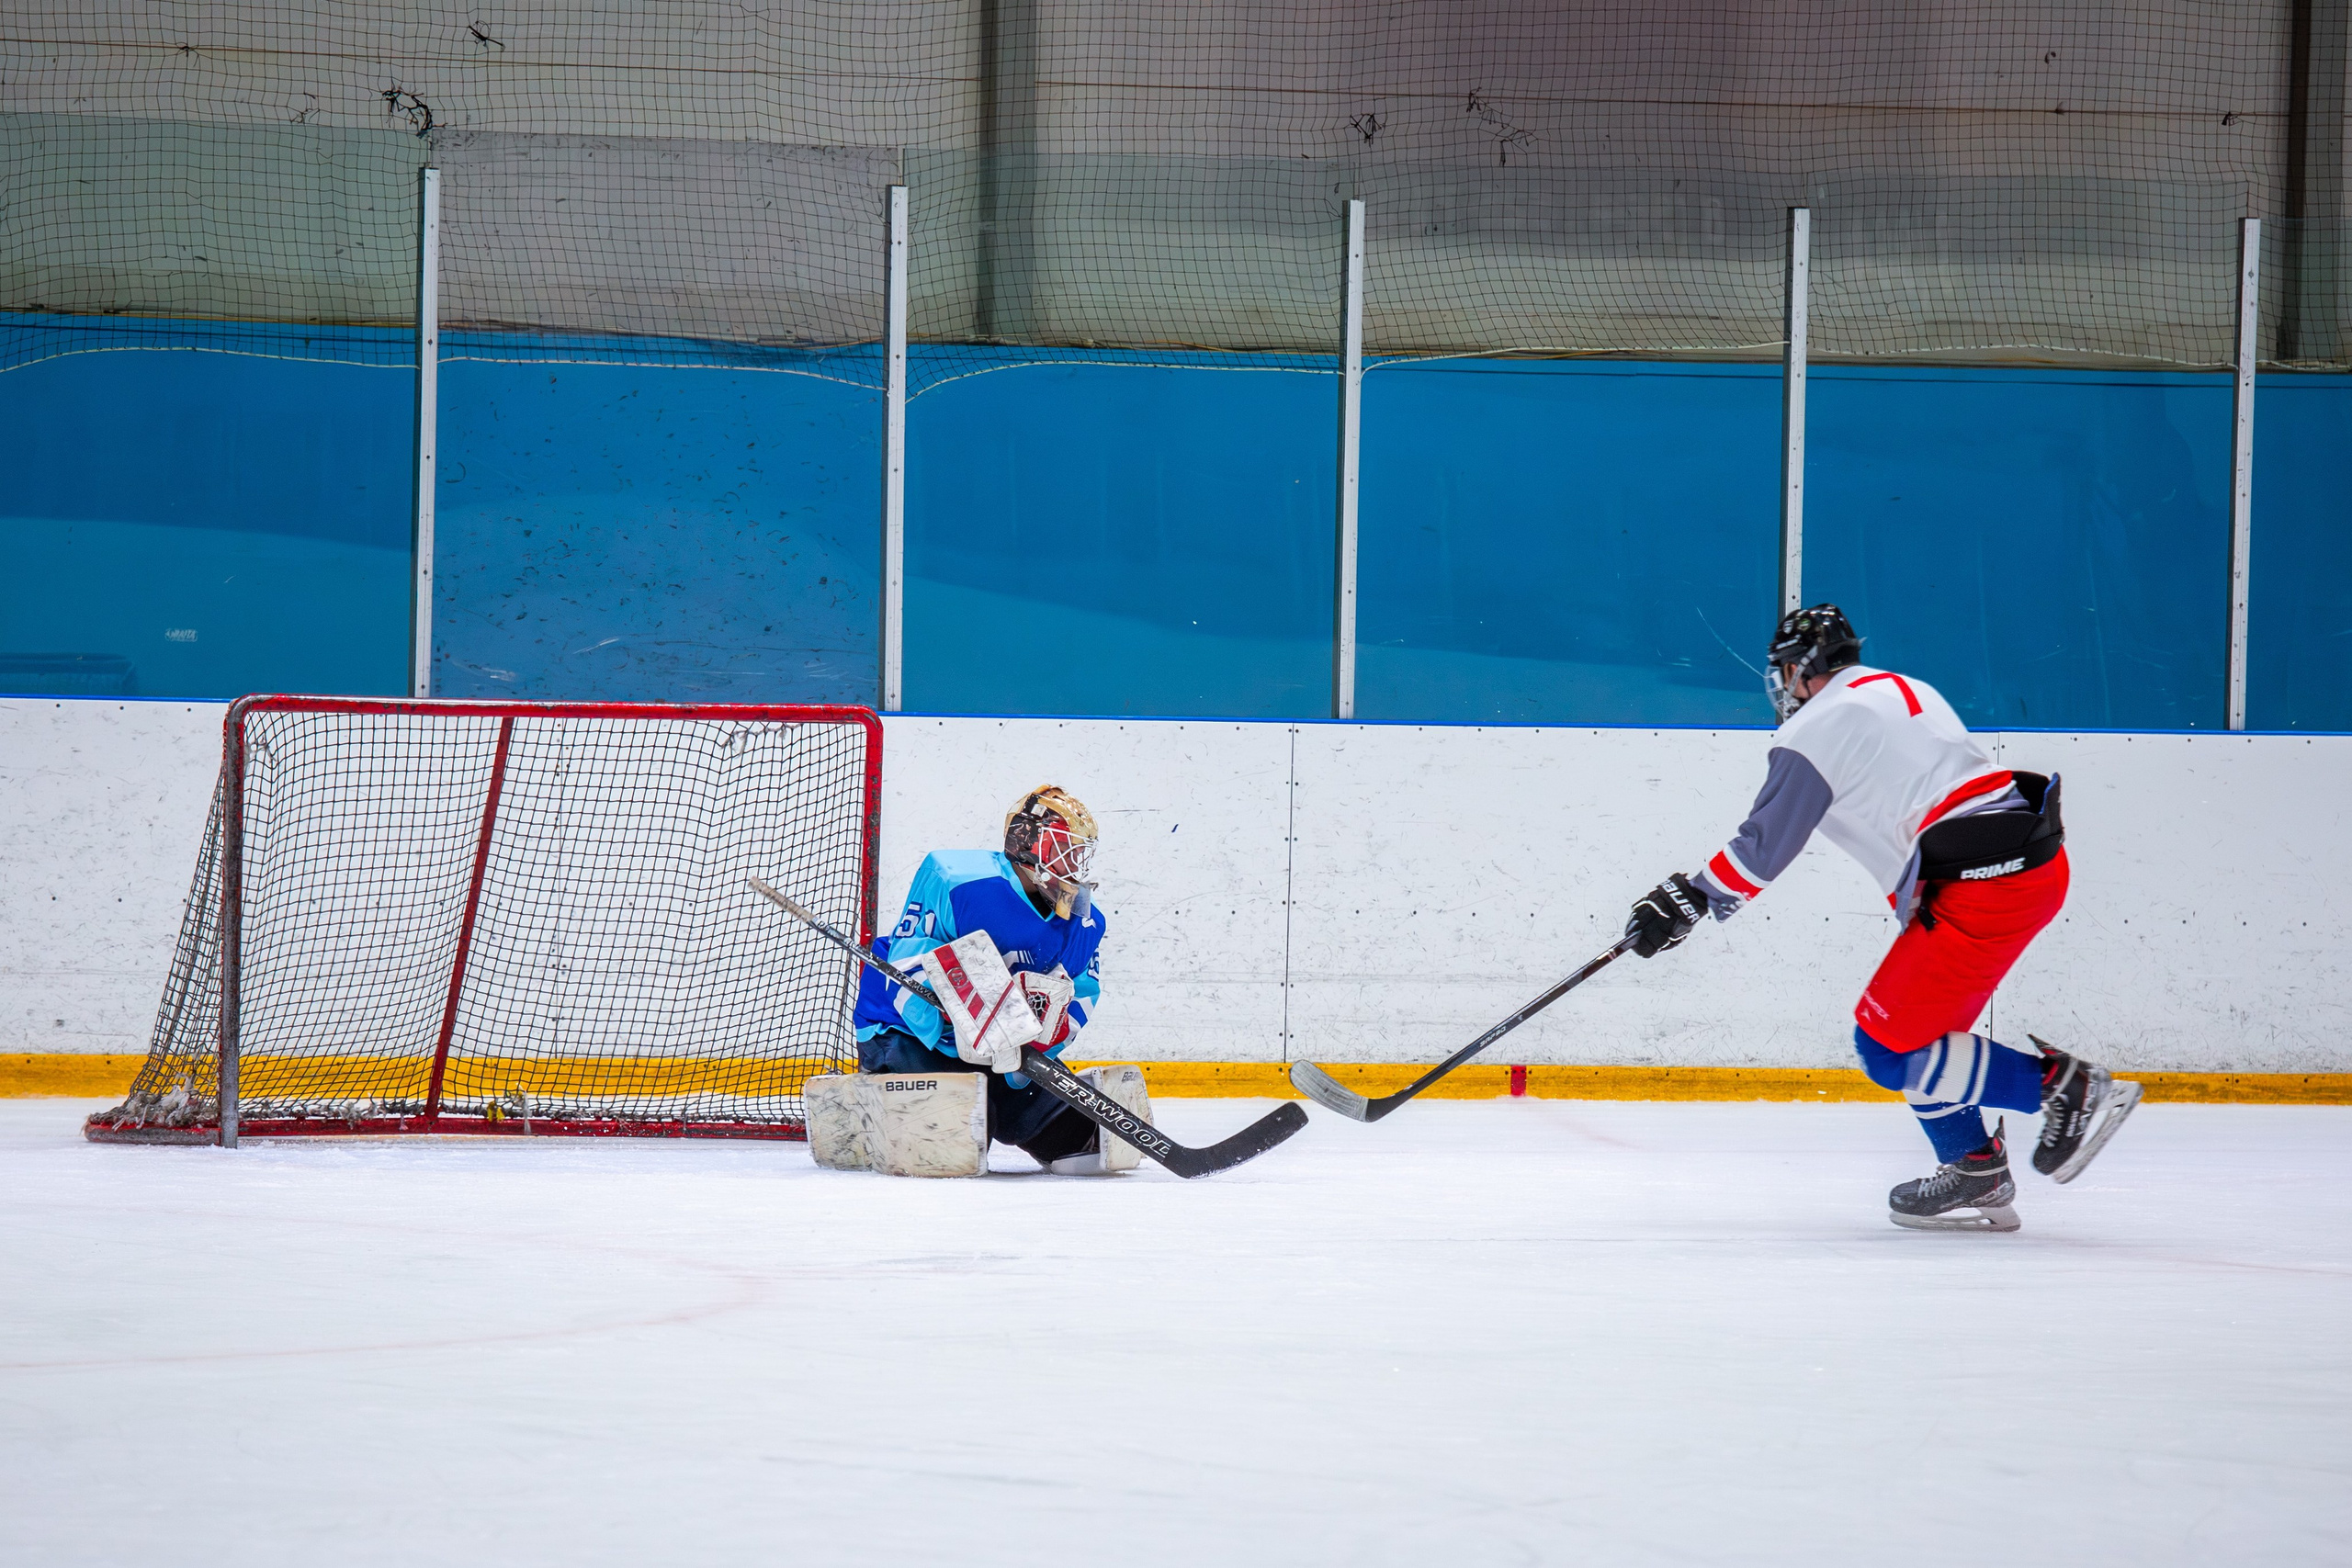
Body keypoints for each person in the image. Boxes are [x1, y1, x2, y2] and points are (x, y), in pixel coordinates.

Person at [1623, 604, 2142, 1231]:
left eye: (1786, 671)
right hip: (2024, 867)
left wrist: (1691, 896)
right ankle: (1973, 1164)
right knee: (1920, 1032)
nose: (1783, 686)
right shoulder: (1900, 690)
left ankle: (2063, 1087)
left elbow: (1765, 846)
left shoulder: (1818, 723)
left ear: (1802, 672)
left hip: (1987, 883)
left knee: (1885, 1045)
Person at [852, 785, 1115, 1171]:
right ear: (1027, 841)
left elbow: (1083, 992)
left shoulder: (1084, 917)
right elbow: (908, 960)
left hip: (1008, 1055)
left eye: (1079, 851)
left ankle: (1001, 1102)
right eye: (1064, 847)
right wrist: (950, 1012)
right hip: (909, 1034)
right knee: (955, 1140)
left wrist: (1049, 1032)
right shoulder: (959, 882)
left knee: (1083, 1145)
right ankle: (869, 1099)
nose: (1073, 861)